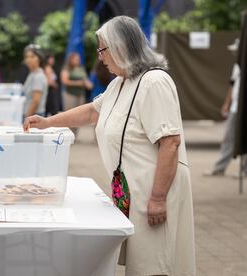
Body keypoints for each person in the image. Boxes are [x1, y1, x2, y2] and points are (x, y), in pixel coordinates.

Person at [24, 16, 195, 276]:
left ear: (121, 47)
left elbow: (170, 142)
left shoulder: (154, 82)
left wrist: (158, 198)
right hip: (134, 191)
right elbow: (93, 112)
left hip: (156, 192)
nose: (99, 56)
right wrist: (48, 122)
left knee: (156, 264)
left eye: (102, 49)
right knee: (141, 262)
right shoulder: (120, 82)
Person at [204, 38, 247, 177]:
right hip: (236, 109)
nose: (234, 53)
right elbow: (232, 85)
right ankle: (220, 168)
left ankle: (245, 170)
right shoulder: (237, 66)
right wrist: (227, 104)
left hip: (243, 108)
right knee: (229, 138)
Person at [22, 44, 48, 118]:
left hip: (34, 116)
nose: (29, 59)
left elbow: (35, 101)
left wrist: (27, 117)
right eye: (27, 57)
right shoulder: (32, 74)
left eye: (32, 56)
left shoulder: (38, 76)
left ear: (39, 58)